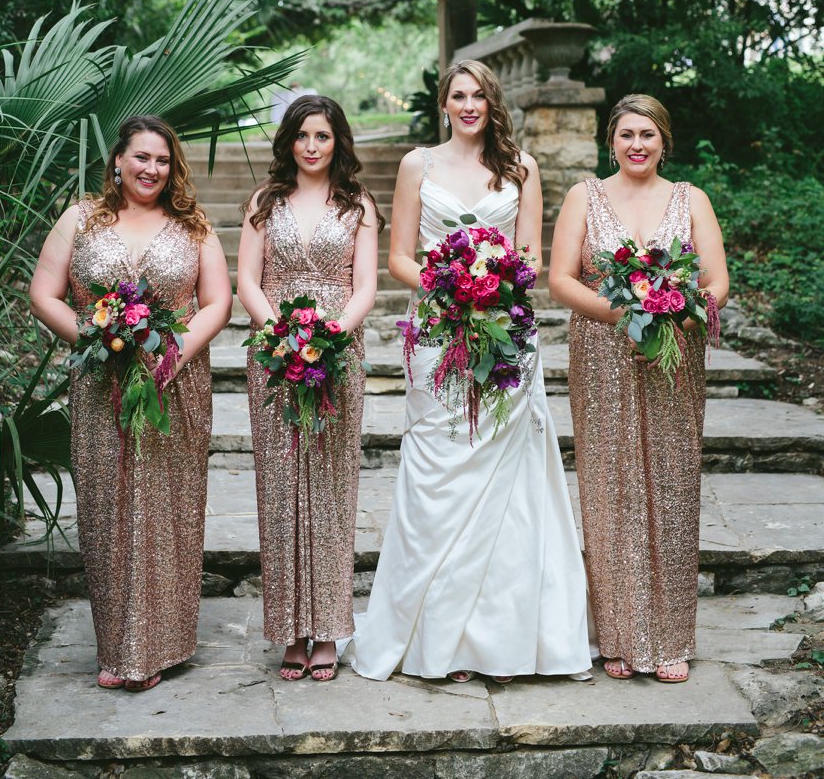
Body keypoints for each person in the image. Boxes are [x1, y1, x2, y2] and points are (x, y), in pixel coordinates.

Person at [353, 60, 592, 683]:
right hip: (436, 332)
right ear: (444, 103)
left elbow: (531, 256)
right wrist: (452, 286)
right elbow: (399, 258)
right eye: (458, 95)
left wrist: (494, 287)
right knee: (440, 469)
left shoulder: (521, 169)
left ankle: (498, 640)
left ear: (492, 103)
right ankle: (435, 637)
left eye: (478, 95)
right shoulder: (418, 166)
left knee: (506, 480)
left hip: (506, 332)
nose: (468, 105)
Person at [29, 115, 232, 691]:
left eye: (163, 161)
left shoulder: (192, 227)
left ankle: (159, 646)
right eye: (141, 158)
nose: (152, 169)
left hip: (175, 384)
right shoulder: (80, 218)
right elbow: (43, 293)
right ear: (117, 161)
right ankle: (119, 645)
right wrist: (98, 342)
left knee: (168, 510)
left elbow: (218, 301)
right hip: (101, 384)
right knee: (108, 508)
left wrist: (174, 354)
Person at [548, 93, 728, 684]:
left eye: (647, 135)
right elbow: (560, 279)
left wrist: (673, 307)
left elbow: (716, 279)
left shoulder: (690, 199)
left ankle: (671, 635)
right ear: (611, 140)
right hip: (602, 352)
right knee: (611, 485)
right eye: (627, 134)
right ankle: (620, 636)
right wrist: (622, 313)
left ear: (664, 141)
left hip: (673, 352)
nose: (637, 145)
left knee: (672, 487)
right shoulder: (584, 196)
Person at [237, 95, 380, 682]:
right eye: (302, 136)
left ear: (337, 141)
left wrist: (330, 336)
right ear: (289, 142)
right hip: (273, 356)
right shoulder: (264, 202)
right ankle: (290, 633)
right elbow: (247, 276)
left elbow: (365, 284)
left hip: (337, 354)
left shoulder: (359, 204)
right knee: (279, 488)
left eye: (322, 136)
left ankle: (327, 630)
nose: (313, 146)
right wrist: (279, 335)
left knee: (329, 490)